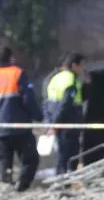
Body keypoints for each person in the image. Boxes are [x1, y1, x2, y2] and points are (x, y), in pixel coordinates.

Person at [0, 48, 42, 191]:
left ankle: (5, 187)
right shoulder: (17, 73)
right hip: (19, 127)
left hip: (1, 129)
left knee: (4, 161)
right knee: (30, 159)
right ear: (10, 58)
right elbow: (28, 98)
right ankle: (21, 187)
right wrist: (39, 116)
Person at [45, 53, 88, 175]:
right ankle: (66, 180)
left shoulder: (55, 78)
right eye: (82, 65)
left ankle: (60, 178)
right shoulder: (71, 80)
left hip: (57, 120)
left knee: (61, 154)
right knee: (69, 154)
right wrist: (55, 124)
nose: (83, 68)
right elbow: (66, 104)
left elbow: (46, 103)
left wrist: (50, 122)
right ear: (74, 65)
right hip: (68, 123)